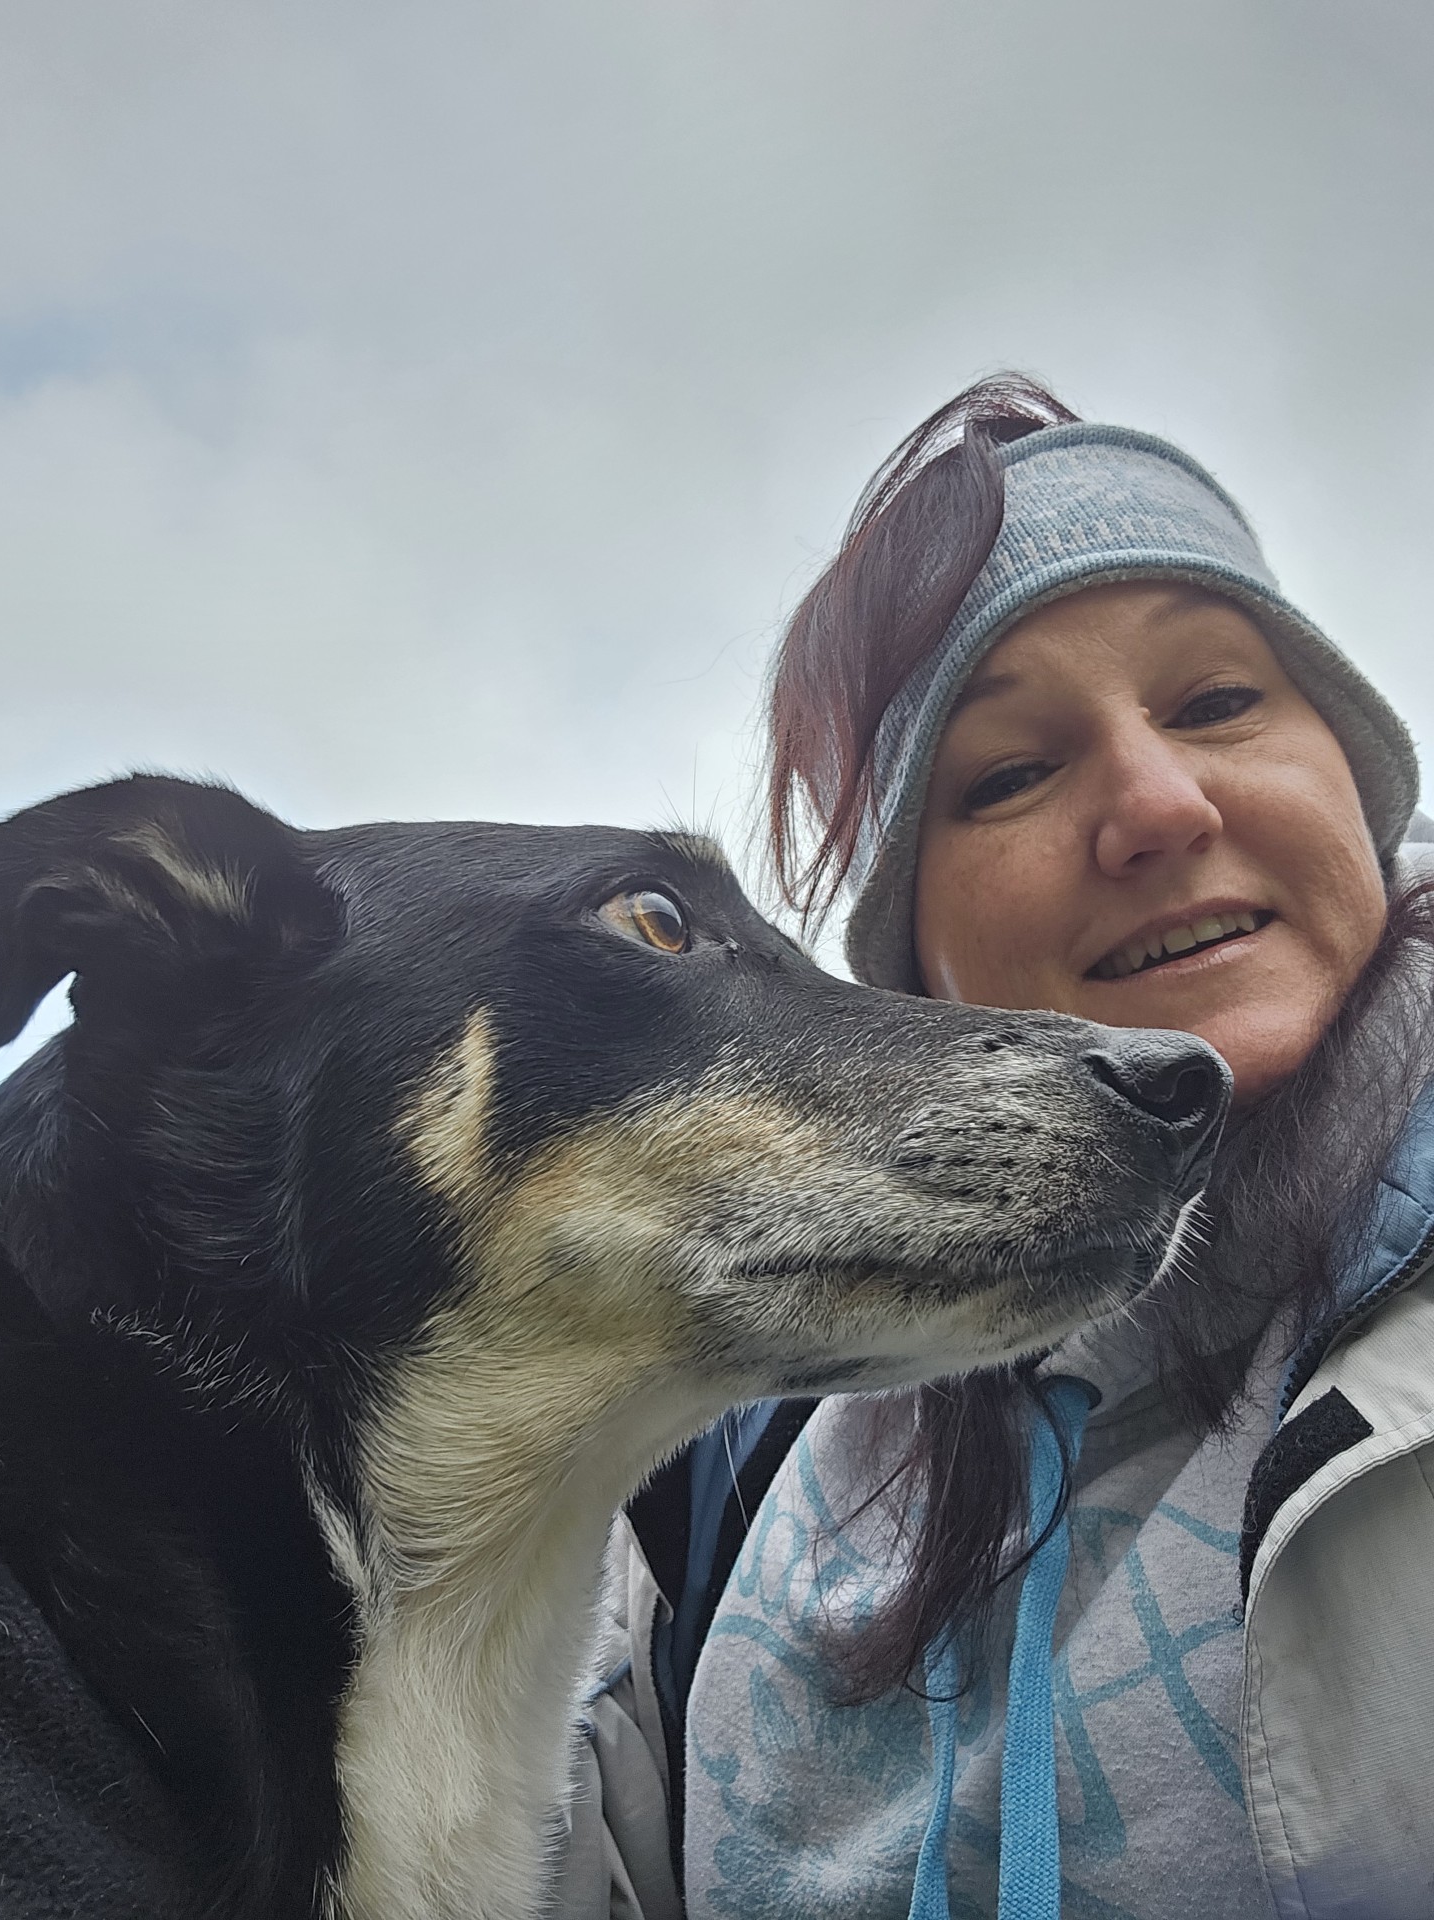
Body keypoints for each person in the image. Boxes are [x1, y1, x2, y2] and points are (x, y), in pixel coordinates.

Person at [554, 378, 1434, 1920]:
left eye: (1220, 700)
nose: (1156, 805)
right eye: (1010, 776)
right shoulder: (719, 1451)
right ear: (914, 976)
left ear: (1357, 784)